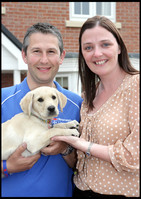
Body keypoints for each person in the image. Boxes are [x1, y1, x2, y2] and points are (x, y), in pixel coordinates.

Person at [52, 16, 139, 198]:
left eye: (105, 44)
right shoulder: (87, 96)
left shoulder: (135, 86)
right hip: (81, 191)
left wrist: (83, 144)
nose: (97, 53)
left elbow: (134, 155)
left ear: (119, 47)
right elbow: (81, 161)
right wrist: (66, 146)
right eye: (88, 47)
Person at [1, 22, 83, 197]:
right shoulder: (2, 99)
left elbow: (85, 166)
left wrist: (65, 149)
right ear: (24, 55)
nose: (44, 60)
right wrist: (7, 167)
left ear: (61, 57)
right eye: (36, 51)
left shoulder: (77, 104)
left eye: (51, 52)